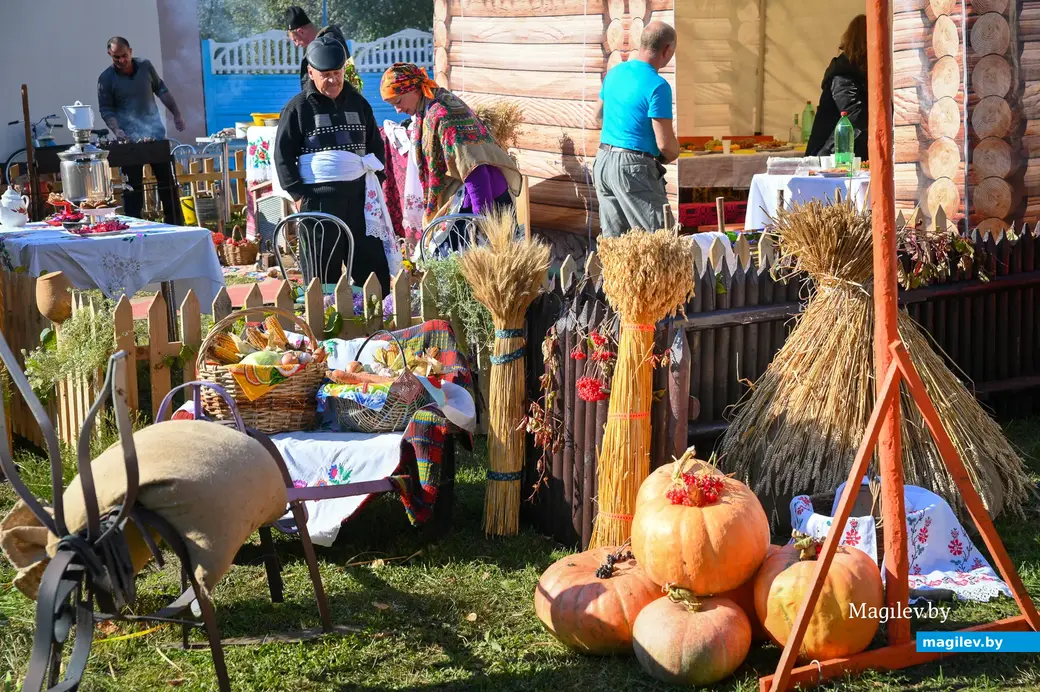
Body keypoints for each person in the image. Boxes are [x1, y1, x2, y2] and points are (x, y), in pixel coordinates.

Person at [274, 34, 398, 295]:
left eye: (337, 72)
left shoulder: (359, 103)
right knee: (322, 270)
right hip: (318, 202)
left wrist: (377, 184)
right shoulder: (297, 108)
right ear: (311, 72)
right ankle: (326, 325)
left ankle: (374, 321)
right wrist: (298, 195)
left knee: (371, 267)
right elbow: (283, 155)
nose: (333, 80)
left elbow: (375, 147)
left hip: (361, 200)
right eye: (325, 74)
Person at [379, 63, 521, 254]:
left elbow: (474, 168)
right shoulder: (433, 104)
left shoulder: (444, 115)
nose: (398, 110)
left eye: (398, 102)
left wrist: (483, 224)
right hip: (474, 199)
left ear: (413, 88)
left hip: (485, 200)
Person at [593, 21, 679, 238]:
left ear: (642, 43)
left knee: (617, 245)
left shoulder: (614, 73)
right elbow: (665, 144)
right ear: (667, 50)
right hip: (634, 167)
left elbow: (597, 116)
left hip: (603, 161)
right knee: (661, 242)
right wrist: (671, 154)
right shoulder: (658, 85)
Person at [97, 36, 184, 224]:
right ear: (109, 55)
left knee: (167, 184)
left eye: (124, 56)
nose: (121, 61)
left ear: (131, 51)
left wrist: (176, 113)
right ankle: (133, 227)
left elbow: (161, 90)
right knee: (132, 188)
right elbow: (106, 109)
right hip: (128, 140)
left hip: (155, 134)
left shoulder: (145, 66)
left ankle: (176, 224)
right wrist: (117, 130)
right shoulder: (105, 79)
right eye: (116, 57)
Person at [805, 15, 868, 160]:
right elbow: (855, 116)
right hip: (830, 156)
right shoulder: (843, 74)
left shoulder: (854, 73)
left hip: (840, 154)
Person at [285, 6, 350, 91]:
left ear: (301, 32)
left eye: (295, 40)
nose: (296, 45)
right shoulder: (322, 45)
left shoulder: (328, 44)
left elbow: (338, 81)